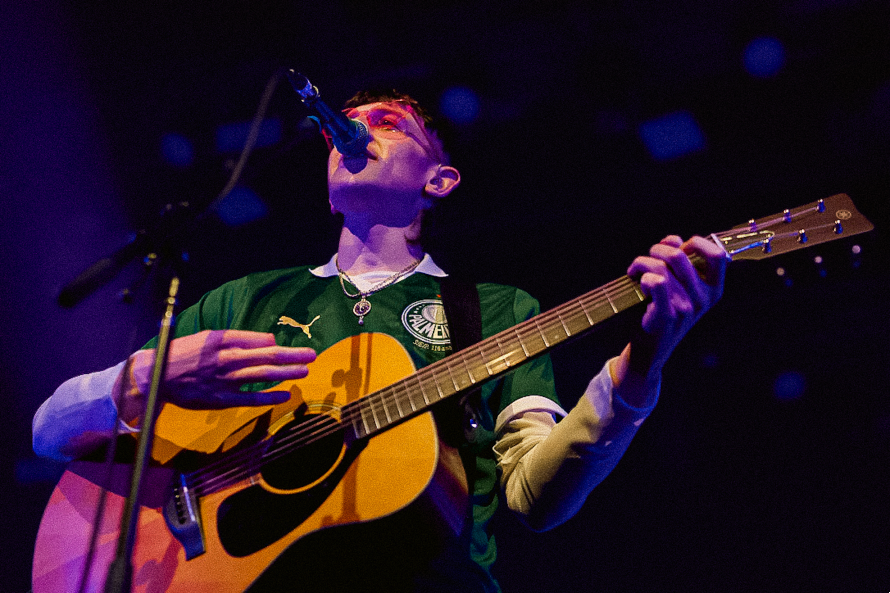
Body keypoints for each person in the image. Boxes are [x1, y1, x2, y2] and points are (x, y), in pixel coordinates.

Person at [33, 89, 727, 592]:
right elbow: (47, 432)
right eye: (349, 123)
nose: (356, 128)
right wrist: (141, 377)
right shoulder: (242, 300)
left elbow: (534, 497)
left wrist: (645, 359)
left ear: (439, 180)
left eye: (388, 123)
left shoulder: (494, 310)